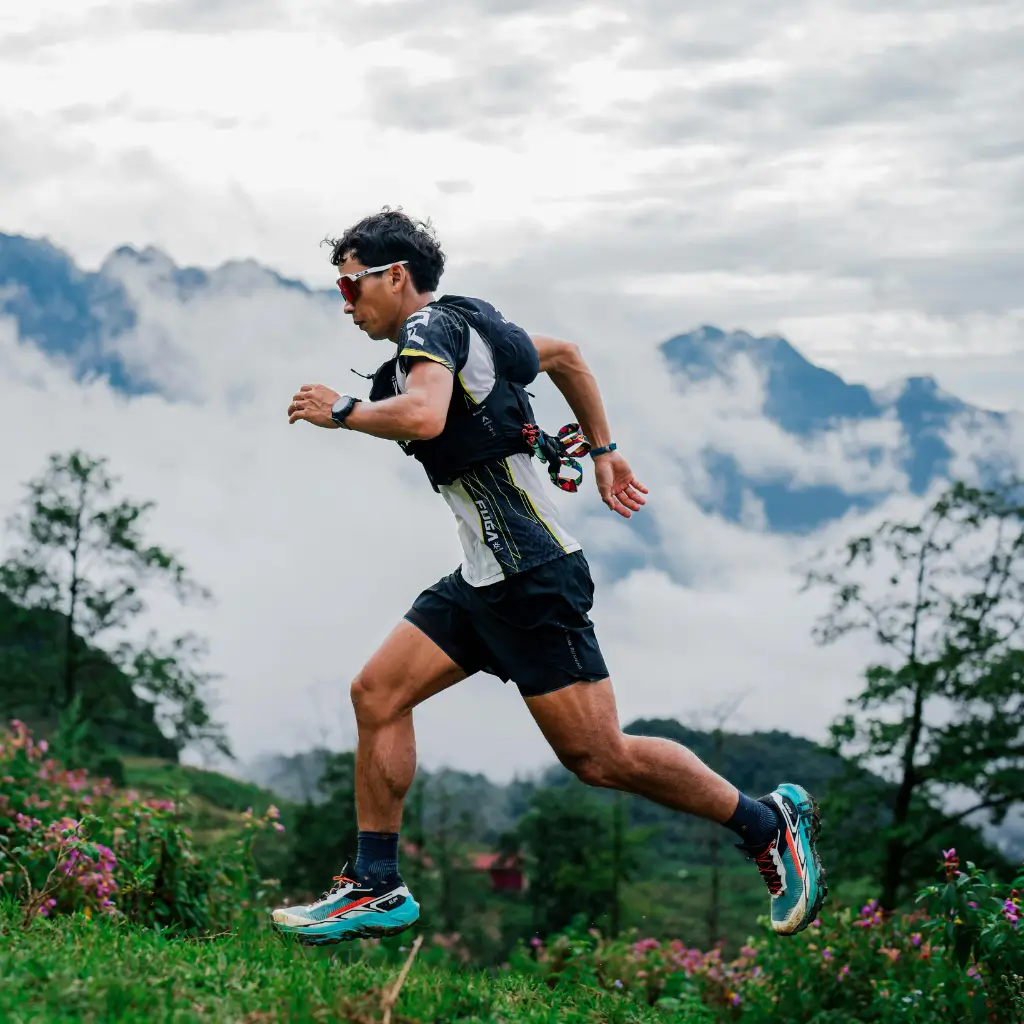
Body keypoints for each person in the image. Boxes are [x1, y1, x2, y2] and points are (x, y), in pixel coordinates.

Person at [272, 209, 826, 946]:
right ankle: (375, 885)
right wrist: (605, 449)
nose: (345, 303)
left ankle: (768, 822)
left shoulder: (428, 332)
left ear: (394, 277)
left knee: (602, 758)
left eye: (350, 285)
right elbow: (565, 355)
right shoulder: (472, 327)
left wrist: (343, 410)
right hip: (484, 579)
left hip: (531, 578)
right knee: (377, 693)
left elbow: (428, 417)